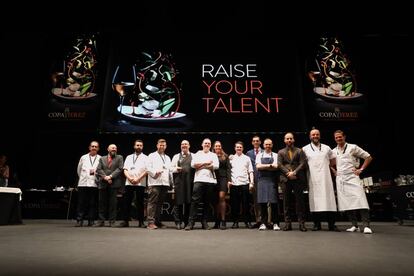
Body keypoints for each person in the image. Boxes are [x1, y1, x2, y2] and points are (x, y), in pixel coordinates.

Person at [332, 130, 373, 234]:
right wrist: (334, 171)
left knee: (361, 199)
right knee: (346, 203)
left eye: (340, 137)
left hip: (352, 176)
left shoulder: (353, 147)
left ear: (344, 137)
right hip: (341, 178)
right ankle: (354, 225)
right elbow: (329, 163)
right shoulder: (333, 151)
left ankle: (366, 226)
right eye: (336, 137)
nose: (338, 139)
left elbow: (368, 157)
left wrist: (361, 169)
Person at [302, 129, 339, 231]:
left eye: (317, 134)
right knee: (315, 202)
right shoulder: (305, 149)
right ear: (310, 136)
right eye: (313, 134)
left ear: (320, 136)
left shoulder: (327, 148)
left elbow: (333, 160)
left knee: (329, 200)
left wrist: (326, 167)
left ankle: (331, 224)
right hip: (313, 179)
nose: (315, 136)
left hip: (326, 178)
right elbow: (302, 164)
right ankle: (316, 224)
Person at [185, 138, 219, 230]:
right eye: (205, 143)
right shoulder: (197, 154)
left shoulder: (213, 155)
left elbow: (216, 166)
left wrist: (200, 165)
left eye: (208, 143)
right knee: (194, 202)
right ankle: (191, 222)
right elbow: (193, 165)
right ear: (202, 144)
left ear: (210, 145)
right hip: (198, 180)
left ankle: (204, 222)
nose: (207, 144)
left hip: (210, 181)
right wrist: (206, 163)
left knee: (207, 202)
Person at [278, 132, 308, 231]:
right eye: (287, 139)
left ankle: (301, 224)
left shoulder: (299, 151)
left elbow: (303, 163)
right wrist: (288, 173)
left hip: (298, 178)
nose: (289, 140)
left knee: (300, 202)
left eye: (291, 138)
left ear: (293, 140)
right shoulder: (281, 152)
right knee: (286, 202)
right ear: (284, 140)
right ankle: (287, 224)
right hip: (286, 179)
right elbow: (279, 164)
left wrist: (294, 172)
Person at [120, 139, 148, 228]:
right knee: (127, 202)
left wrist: (138, 179)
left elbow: (147, 170)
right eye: (137, 145)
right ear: (134, 146)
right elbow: (125, 169)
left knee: (140, 203)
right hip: (129, 182)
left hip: (140, 183)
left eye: (140, 145)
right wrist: (130, 178)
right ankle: (125, 221)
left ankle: (141, 222)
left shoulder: (146, 157)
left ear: (142, 147)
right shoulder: (128, 157)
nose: (139, 147)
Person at [95, 144, 124, 227]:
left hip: (114, 183)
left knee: (113, 204)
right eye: (112, 148)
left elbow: (120, 168)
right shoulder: (102, 158)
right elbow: (98, 169)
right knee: (102, 203)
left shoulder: (119, 157)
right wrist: (105, 177)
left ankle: (112, 221)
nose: (114, 149)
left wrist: (110, 176)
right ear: (108, 149)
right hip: (103, 183)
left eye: (115, 148)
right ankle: (101, 221)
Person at [146, 139, 172, 230]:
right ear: (157, 145)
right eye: (160, 145)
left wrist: (170, 182)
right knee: (152, 202)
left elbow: (169, 171)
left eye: (164, 145)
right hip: (154, 183)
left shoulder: (168, 157)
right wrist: (155, 173)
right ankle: (150, 222)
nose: (162, 147)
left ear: (166, 146)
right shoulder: (151, 155)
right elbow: (148, 168)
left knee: (160, 204)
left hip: (164, 183)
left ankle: (157, 221)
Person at [256, 138, 280, 231]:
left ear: (272, 145)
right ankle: (263, 223)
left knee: (274, 203)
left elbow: (276, 167)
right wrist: (270, 166)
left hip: (272, 180)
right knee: (262, 203)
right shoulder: (259, 155)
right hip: (262, 180)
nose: (268, 146)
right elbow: (258, 167)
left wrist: (264, 167)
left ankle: (276, 223)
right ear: (263, 145)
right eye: (266, 144)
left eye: (269, 144)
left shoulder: (275, 155)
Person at [75, 141, 101, 227]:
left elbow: (100, 171)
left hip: (94, 183)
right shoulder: (83, 157)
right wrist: (82, 177)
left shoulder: (100, 158)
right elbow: (79, 170)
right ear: (89, 148)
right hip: (83, 183)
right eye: (92, 146)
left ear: (98, 148)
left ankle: (91, 220)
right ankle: (79, 220)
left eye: (95, 146)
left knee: (92, 203)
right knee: (81, 202)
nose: (94, 148)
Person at [229, 141, 254, 229]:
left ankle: (247, 222)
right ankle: (235, 222)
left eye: (240, 147)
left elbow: (250, 171)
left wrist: (252, 182)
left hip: (245, 183)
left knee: (246, 204)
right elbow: (229, 171)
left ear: (242, 148)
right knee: (235, 204)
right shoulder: (231, 158)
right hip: (234, 184)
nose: (239, 148)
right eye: (237, 147)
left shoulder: (247, 158)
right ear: (235, 148)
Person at [171, 140, 194, 230]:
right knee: (178, 202)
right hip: (179, 181)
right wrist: (176, 169)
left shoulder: (194, 156)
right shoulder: (176, 156)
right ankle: (178, 221)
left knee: (188, 203)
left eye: (186, 144)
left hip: (189, 181)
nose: (184, 145)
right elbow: (170, 168)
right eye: (182, 144)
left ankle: (186, 221)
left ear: (189, 146)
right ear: (181, 146)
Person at [212, 140, 231, 230]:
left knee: (221, 197)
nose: (218, 147)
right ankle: (217, 221)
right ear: (214, 147)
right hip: (213, 179)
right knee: (216, 200)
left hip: (223, 178)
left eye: (219, 146)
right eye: (216, 146)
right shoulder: (211, 156)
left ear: (221, 147)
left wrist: (229, 180)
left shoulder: (225, 156)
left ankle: (223, 220)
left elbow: (228, 169)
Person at [246, 136, 263, 228]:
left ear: (260, 142)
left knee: (265, 200)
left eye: (257, 141)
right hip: (254, 179)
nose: (256, 142)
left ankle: (267, 221)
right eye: (254, 141)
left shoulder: (265, 152)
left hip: (264, 178)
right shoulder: (248, 153)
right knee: (256, 201)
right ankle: (258, 220)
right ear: (252, 143)